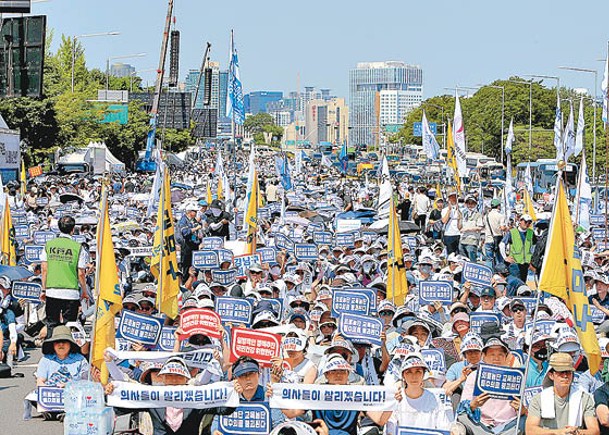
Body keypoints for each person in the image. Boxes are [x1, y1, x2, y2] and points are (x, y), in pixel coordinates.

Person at [527, 352, 599, 435]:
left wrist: (577, 432)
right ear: (551, 375)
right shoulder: (539, 399)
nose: (565, 376)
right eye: (561, 372)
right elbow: (530, 430)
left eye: (568, 372)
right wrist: (558, 432)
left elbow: (594, 430)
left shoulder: (584, 398)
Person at [40, 215, 89, 334]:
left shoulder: (49, 245)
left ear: (59, 228)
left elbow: (44, 269)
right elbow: (81, 273)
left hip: (52, 291)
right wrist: (84, 291)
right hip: (70, 293)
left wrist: (43, 289)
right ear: (73, 230)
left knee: (51, 324)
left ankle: (50, 351)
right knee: (69, 326)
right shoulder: (78, 248)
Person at [385, 353, 453, 433]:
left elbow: (444, 428)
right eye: (409, 372)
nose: (414, 376)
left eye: (418, 371)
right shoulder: (396, 399)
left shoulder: (434, 398)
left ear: (423, 374)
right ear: (403, 376)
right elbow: (390, 431)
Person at [500, 214, 536, 282]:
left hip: (525, 264)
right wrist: (505, 257)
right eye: (525, 222)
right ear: (520, 221)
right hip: (514, 263)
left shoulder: (531, 233)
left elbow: (534, 246)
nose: (527, 224)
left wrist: (532, 258)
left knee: (522, 283)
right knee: (515, 282)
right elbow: (502, 244)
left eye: (529, 222)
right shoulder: (512, 232)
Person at [178, 203, 202, 277]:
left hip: (195, 245)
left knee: (195, 266)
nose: (196, 213)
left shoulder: (193, 220)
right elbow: (185, 232)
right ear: (189, 212)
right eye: (194, 211)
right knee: (186, 267)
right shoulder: (183, 220)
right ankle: (186, 283)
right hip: (187, 246)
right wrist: (196, 229)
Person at [483, 199, 507, 268]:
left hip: (488, 239)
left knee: (489, 259)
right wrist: (507, 228)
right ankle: (500, 273)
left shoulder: (486, 216)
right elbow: (502, 228)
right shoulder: (500, 216)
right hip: (498, 239)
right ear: (498, 206)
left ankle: (489, 274)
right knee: (499, 259)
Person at [458, 195, 483, 262]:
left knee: (472, 260)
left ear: (475, 204)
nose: (470, 205)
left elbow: (480, 227)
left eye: (472, 203)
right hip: (462, 239)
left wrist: (468, 229)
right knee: (463, 260)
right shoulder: (463, 213)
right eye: (468, 203)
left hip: (472, 240)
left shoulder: (478, 214)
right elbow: (460, 226)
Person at [442, 189, 462, 256]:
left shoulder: (461, 209)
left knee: (459, 254)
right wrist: (449, 210)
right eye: (452, 197)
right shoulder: (445, 210)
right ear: (449, 198)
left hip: (458, 234)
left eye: (455, 197)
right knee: (450, 254)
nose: (453, 199)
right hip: (449, 234)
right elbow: (444, 221)